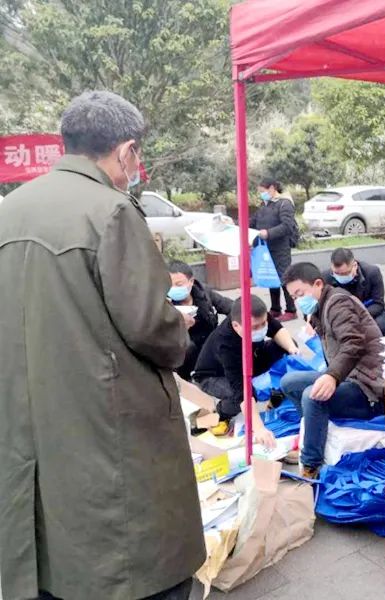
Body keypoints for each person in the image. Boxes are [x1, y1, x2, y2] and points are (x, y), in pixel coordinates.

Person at [0, 91, 204, 600]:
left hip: (27, 429)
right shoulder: (110, 212)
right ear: (126, 151)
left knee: (49, 558)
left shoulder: (10, 210)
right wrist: (177, 323)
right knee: (131, 564)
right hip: (108, 433)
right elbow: (150, 328)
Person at [280, 263, 385, 479]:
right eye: (293, 297)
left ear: (318, 284)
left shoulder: (338, 303)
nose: (297, 301)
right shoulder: (320, 307)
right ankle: (311, 434)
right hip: (348, 375)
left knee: (312, 395)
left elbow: (353, 343)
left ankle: (311, 465)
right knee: (289, 383)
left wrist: (332, 376)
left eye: (300, 294)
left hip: (368, 387)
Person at [193, 294, 299, 438]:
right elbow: (242, 391)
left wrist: (293, 351)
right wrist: (259, 429)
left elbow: (277, 330)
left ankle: (277, 392)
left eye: (264, 323)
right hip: (214, 375)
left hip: (251, 357)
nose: (262, 329)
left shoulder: (257, 316)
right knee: (243, 397)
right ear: (236, 326)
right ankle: (221, 411)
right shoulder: (225, 343)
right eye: (255, 327)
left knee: (287, 345)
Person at [168, 260, 233, 379]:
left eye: (179, 284)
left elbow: (229, 306)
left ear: (191, 281)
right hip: (183, 350)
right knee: (187, 347)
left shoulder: (203, 293)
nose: (173, 288)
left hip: (208, 343)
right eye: (169, 285)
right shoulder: (164, 302)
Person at [250, 178, 298, 321]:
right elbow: (253, 222)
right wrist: (234, 223)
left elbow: (287, 226)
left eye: (263, 191)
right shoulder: (264, 205)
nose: (261, 194)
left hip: (281, 248)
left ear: (272, 188)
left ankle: (291, 310)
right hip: (267, 248)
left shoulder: (285, 203)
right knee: (272, 278)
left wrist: (268, 233)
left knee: (284, 278)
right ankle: (275, 308)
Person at [323, 247, 385, 336]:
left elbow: (378, 303)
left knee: (381, 325)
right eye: (336, 273)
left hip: (368, 310)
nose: (340, 276)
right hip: (341, 315)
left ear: (354, 266)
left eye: (345, 273)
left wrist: (355, 316)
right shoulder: (325, 278)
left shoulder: (372, 273)